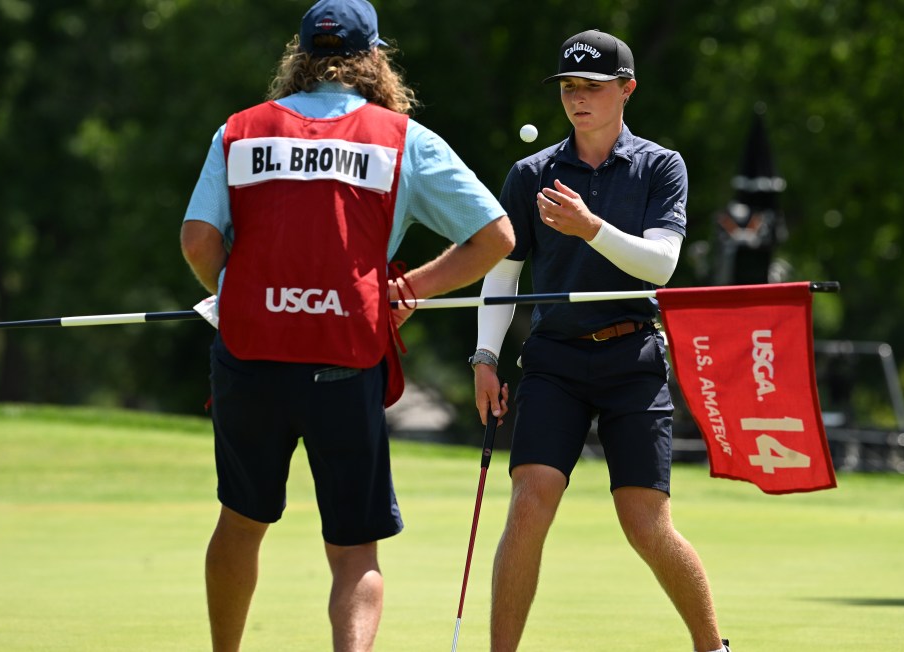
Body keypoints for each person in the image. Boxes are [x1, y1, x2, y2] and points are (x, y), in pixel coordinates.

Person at [180, 1, 514, 650]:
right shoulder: (400, 138)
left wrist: (233, 291)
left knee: (240, 521)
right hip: (342, 357)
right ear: (373, 59)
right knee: (354, 547)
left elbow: (197, 240)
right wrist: (410, 289)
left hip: (250, 353)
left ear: (300, 56)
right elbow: (495, 235)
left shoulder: (240, 131)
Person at [471, 30, 730, 652]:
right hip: (554, 360)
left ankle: (712, 646)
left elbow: (661, 265)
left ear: (626, 89)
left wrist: (591, 229)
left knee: (644, 520)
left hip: (631, 356)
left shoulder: (660, 167)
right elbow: (503, 271)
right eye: (568, 87)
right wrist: (485, 356)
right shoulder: (532, 173)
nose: (577, 98)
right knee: (530, 500)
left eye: (591, 87)